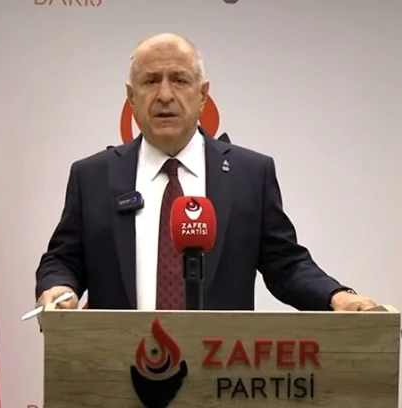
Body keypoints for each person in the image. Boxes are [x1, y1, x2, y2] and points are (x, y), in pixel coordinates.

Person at [34, 33, 377, 313]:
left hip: (223, 366)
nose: (165, 95)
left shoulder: (250, 175)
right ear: (131, 98)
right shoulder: (93, 176)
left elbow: (285, 263)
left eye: (179, 80)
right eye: (150, 81)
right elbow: (63, 259)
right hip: (116, 365)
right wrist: (57, 287)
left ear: (202, 95)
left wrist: (336, 297)